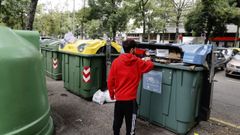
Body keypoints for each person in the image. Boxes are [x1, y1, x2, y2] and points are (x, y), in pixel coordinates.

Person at [108, 39, 154, 135]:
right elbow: (150, 66)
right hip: (131, 102)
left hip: (119, 100)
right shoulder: (137, 62)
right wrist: (148, 58)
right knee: (131, 128)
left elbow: (110, 81)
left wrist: (112, 95)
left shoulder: (116, 62)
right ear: (132, 50)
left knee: (117, 124)